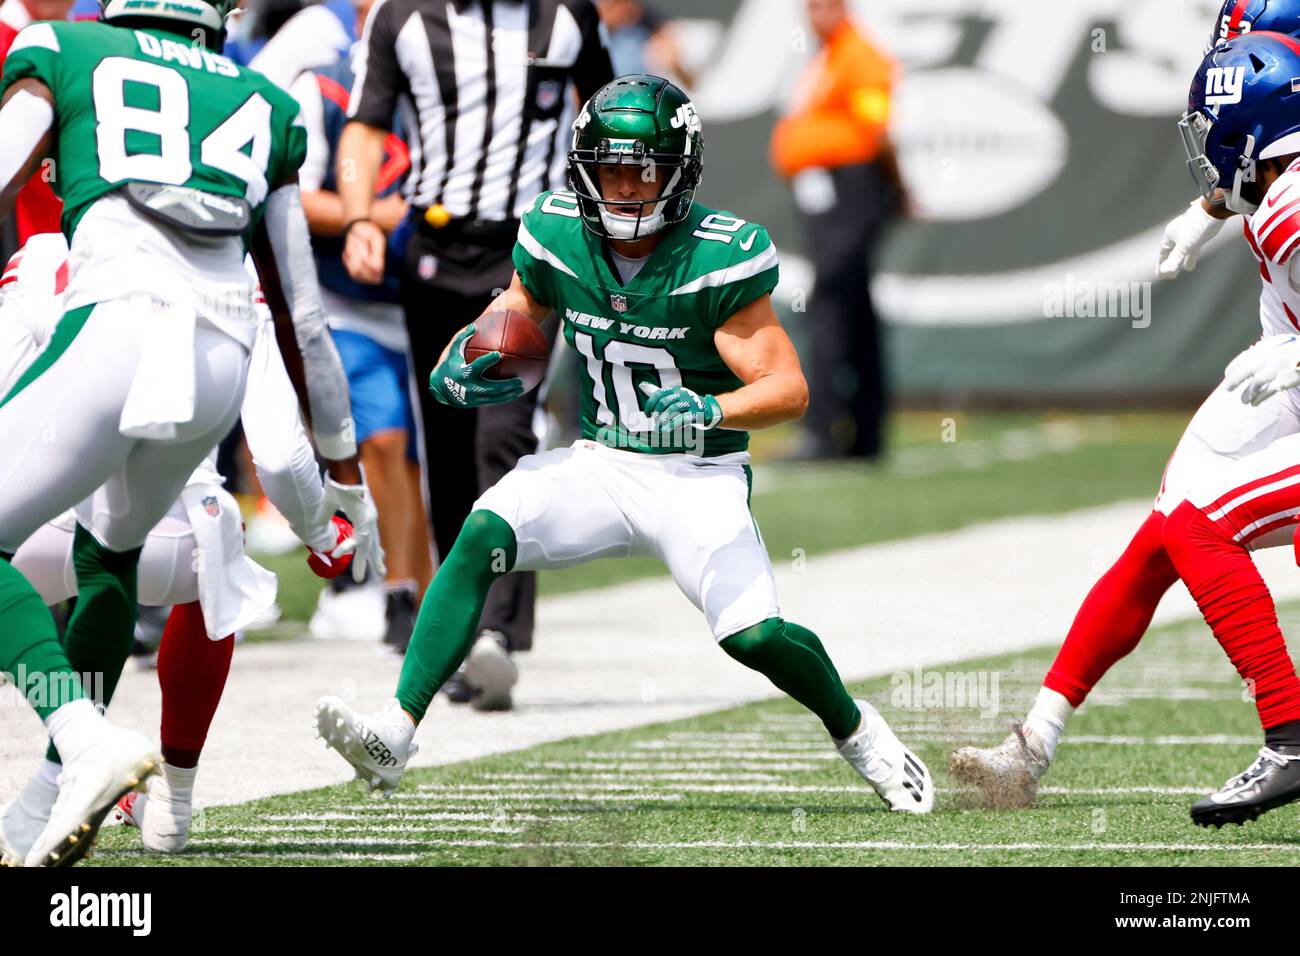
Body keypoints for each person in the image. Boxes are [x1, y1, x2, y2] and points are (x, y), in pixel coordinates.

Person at [315, 75, 935, 816]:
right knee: (484, 530)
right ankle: (396, 732)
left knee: (755, 636)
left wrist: (710, 408)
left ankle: (862, 734)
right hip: (602, 461)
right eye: (608, 169)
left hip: (696, 476)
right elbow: (514, 311)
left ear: (681, 174)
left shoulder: (717, 255)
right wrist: (461, 356)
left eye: (643, 171)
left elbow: (788, 388)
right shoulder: (556, 231)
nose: (624, 188)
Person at [0, 0, 381, 865]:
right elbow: (304, 317)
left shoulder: (66, 46)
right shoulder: (263, 100)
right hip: (219, 357)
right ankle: (61, 792)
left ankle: (81, 740)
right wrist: (343, 487)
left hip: (117, 328)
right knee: (111, 554)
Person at [954, 30, 1300, 828]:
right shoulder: (1278, 183)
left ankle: (1288, 736)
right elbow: (1259, 170)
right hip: (1281, 363)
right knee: (1169, 525)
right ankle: (1033, 743)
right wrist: (1210, 207)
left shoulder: (1287, 204)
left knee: (1204, 525)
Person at [0, 239, 354, 860]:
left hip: (49, 522)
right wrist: (322, 531)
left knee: (80, 561)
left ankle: (64, 768)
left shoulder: (45, 255)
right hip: (187, 533)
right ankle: (172, 803)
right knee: (214, 564)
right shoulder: (235, 263)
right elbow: (276, 450)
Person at [337, 0, 614, 709]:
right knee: (450, 443)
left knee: (504, 432)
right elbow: (365, 129)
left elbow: (607, 121)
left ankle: (498, 634)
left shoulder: (566, 16)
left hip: (530, 252)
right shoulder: (402, 18)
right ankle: (463, 628)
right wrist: (362, 215)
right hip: (433, 247)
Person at [290, 0, 432, 651]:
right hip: (346, 300)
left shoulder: (445, 76)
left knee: (420, 460)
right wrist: (374, 215)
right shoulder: (322, 83)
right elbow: (296, 192)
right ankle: (388, 588)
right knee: (383, 442)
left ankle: (427, 599)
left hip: (433, 294)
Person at [770, 0, 908, 461]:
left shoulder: (859, 54)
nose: (815, 14)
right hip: (829, 193)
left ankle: (824, 431)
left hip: (853, 189)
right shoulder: (828, 55)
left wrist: (898, 185)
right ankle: (864, 435)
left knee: (829, 302)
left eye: (824, 4)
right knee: (852, 304)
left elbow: (878, 130)